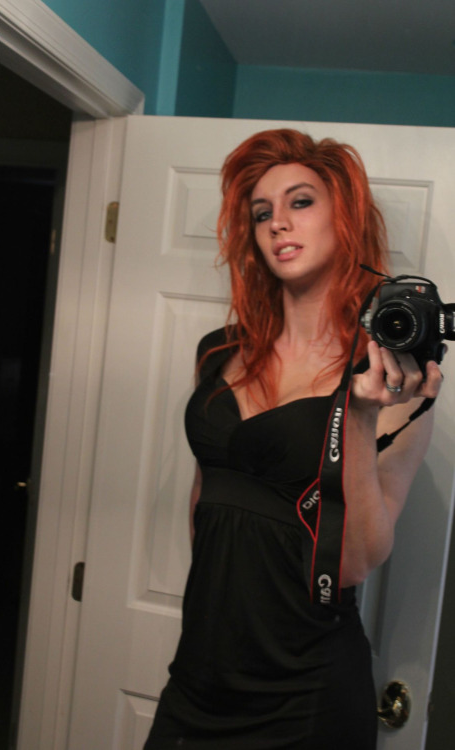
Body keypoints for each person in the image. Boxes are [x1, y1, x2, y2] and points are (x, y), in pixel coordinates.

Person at [143, 129, 444, 749]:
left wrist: (359, 417)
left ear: (345, 218)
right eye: (262, 213)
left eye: (301, 202)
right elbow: (207, 498)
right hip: (198, 676)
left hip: (306, 692)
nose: (278, 222)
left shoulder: (389, 375)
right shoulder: (218, 352)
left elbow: (356, 560)